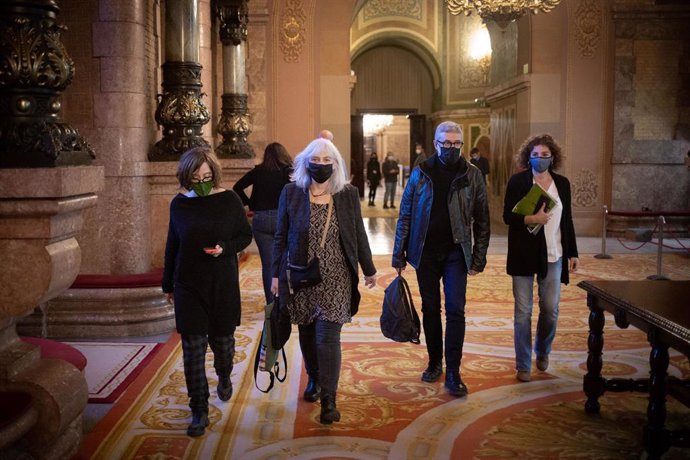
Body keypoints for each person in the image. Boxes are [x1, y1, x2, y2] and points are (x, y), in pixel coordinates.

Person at [271, 137, 377, 424]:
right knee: (306, 332)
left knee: (327, 336)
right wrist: (275, 275)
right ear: (306, 163)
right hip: (300, 275)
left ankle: (329, 398)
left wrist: (368, 269)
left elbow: (358, 233)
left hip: (337, 276)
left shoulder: (347, 193)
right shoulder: (291, 192)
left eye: (325, 161)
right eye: (315, 161)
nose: (320, 165)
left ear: (335, 164)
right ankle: (314, 378)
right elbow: (280, 235)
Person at [392, 121, 490, 397]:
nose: (450, 148)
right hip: (424, 251)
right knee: (431, 309)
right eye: (445, 144)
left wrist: (478, 257)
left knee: (456, 310)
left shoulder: (472, 175)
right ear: (436, 144)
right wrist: (398, 252)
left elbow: (482, 218)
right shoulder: (421, 172)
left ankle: (455, 371)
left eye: (455, 144)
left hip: (456, 252)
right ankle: (435, 361)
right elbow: (406, 213)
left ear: (461, 145)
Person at [162, 147, 253, 437]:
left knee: (223, 343)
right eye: (195, 176)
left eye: (207, 175)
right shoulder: (179, 204)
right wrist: (167, 284)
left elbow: (245, 235)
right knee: (192, 349)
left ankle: (224, 374)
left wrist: (225, 248)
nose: (202, 180)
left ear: (214, 173)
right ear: (186, 177)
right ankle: (198, 409)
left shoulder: (229, 200)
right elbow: (172, 244)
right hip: (188, 283)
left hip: (222, 282)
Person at [503, 134, 579, 383]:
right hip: (524, 255)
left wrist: (573, 252)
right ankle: (523, 364)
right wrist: (532, 219)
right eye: (535, 155)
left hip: (554, 254)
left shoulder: (563, 184)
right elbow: (508, 217)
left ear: (553, 157)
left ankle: (543, 350)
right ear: (528, 157)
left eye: (545, 155)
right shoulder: (518, 182)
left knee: (550, 309)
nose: (540, 159)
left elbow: (566, 221)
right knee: (523, 312)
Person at [233, 142, 293, 304]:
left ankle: (271, 303)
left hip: (261, 219)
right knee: (285, 262)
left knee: (268, 265)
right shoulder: (289, 172)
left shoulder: (258, 171)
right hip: (284, 219)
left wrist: (250, 203)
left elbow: (237, 187)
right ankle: (285, 301)